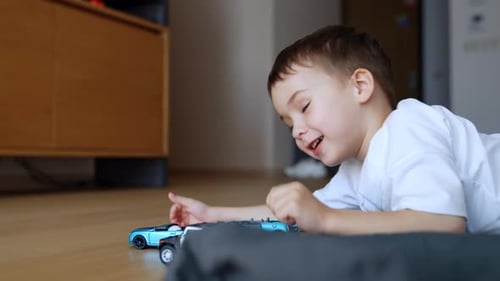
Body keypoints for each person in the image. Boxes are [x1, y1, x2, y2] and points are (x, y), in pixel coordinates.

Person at [169, 25, 500, 235]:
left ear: (359, 86)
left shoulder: (409, 128)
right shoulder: (355, 172)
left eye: (305, 107)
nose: (297, 131)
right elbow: (298, 213)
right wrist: (212, 215)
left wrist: (325, 220)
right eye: (288, 123)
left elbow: (442, 224)